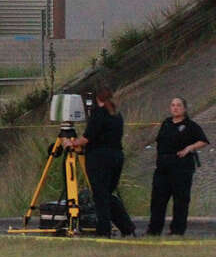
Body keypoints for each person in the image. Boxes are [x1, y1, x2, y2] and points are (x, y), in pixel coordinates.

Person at [69, 86, 135, 237]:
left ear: (97, 98)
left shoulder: (99, 114)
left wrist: (71, 143)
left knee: (100, 196)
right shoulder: (117, 115)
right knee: (107, 194)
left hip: (99, 158)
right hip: (117, 156)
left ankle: (104, 231)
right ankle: (126, 226)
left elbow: (87, 137)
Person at [147, 97, 209, 236]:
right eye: (173, 105)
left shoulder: (190, 125)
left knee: (180, 200)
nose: (175, 108)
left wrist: (190, 148)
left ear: (184, 108)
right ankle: (154, 230)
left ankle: (177, 231)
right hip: (163, 167)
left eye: (178, 105)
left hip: (181, 166)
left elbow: (203, 141)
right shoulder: (166, 123)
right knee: (158, 200)